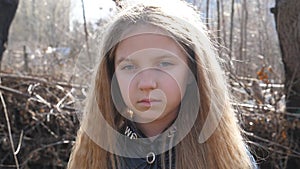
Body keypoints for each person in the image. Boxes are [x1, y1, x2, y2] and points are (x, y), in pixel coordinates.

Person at [68, 0, 258, 168]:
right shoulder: (96, 158)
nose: (146, 83)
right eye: (129, 66)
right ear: (111, 76)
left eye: (164, 64)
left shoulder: (225, 158)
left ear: (193, 70)